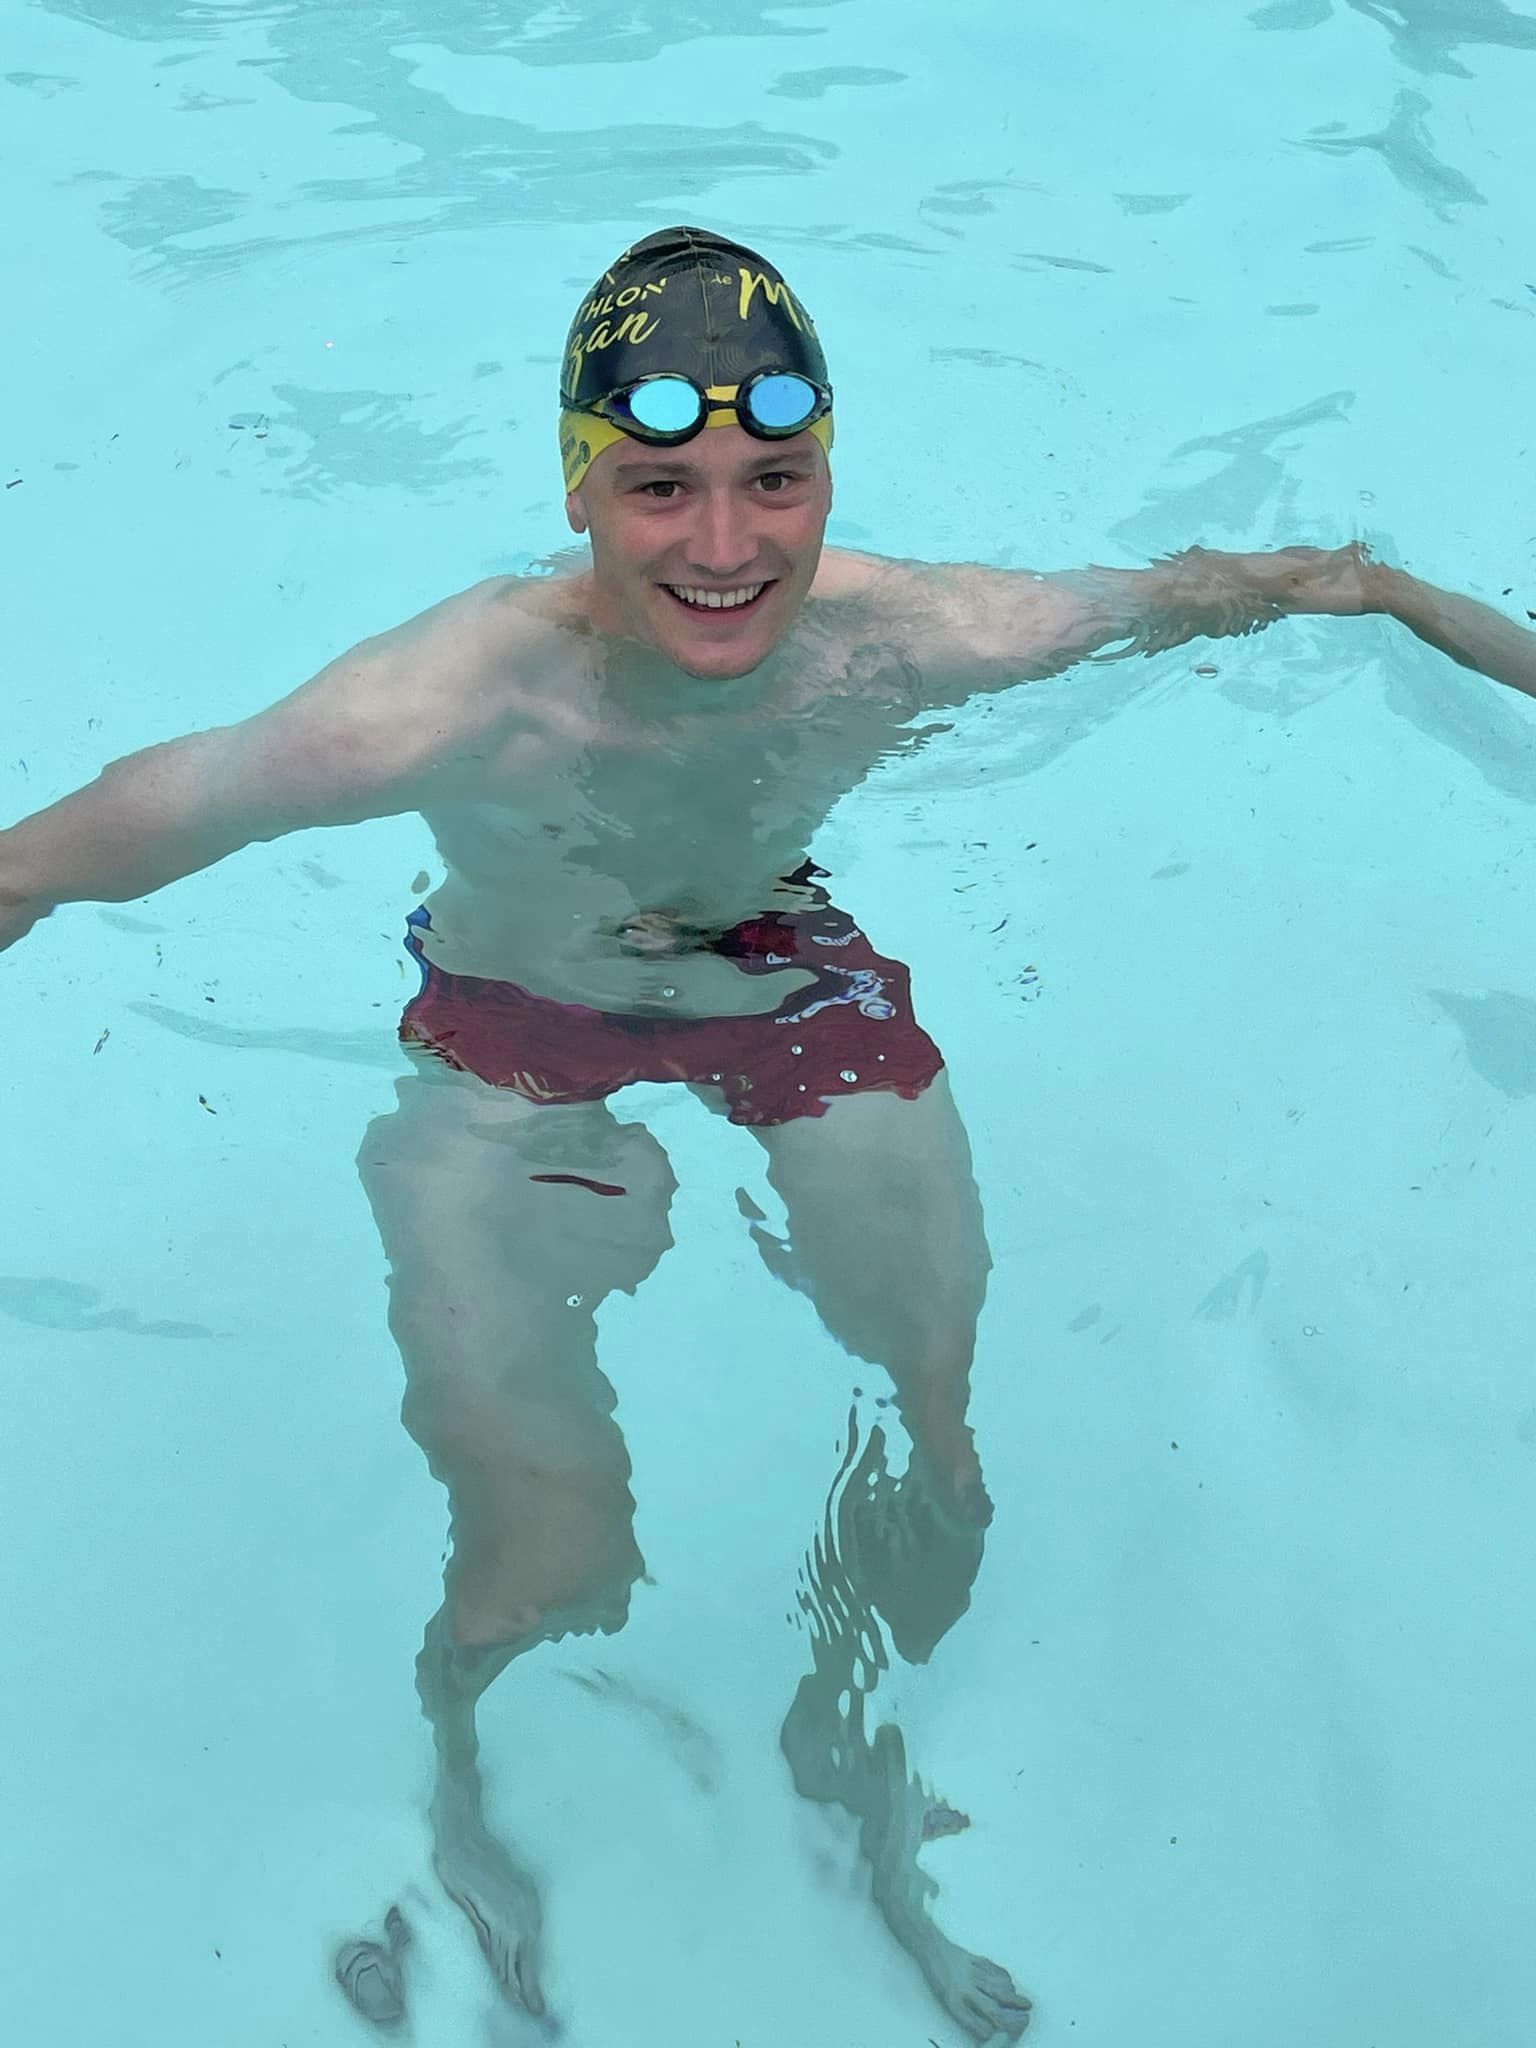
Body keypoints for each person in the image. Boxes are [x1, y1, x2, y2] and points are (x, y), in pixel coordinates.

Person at [3, 224, 1533, 2044]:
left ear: (825, 478)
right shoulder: (441, 701)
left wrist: (1438, 614)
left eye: (774, 482)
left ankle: (852, 1765)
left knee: (942, 1455)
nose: (726, 547)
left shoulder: (916, 639)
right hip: (515, 1036)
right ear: (581, 489)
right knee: (538, 1546)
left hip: (785, 980)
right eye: (663, 487)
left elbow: (1294, 585)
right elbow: (86, 844)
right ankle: (471, 1839)